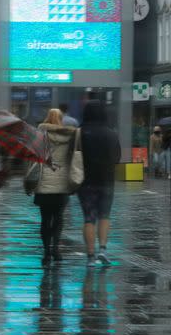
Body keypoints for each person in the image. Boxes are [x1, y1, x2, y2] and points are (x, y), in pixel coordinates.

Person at [77, 100, 120, 267]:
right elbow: (116, 157)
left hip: (85, 181)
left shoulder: (80, 133)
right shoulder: (111, 133)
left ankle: (90, 257)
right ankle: (103, 249)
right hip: (107, 181)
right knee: (105, 216)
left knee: (89, 218)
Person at [33, 109, 77, 267]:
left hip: (44, 182)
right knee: (58, 218)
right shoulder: (69, 135)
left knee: (45, 219)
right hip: (61, 183)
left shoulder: (39, 135)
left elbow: (35, 156)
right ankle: (56, 250)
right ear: (61, 120)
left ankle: (46, 253)